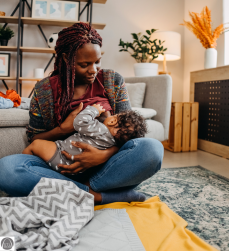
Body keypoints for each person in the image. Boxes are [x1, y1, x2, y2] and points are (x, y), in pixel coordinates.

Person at [0, 22, 164, 205]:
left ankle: (73, 193)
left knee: (152, 149)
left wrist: (103, 155)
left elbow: (128, 133)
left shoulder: (112, 80)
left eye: (97, 61)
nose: (93, 70)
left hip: (105, 168)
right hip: (59, 166)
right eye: (85, 64)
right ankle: (94, 196)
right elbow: (35, 137)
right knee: (7, 169)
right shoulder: (45, 89)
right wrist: (63, 129)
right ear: (65, 59)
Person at [22, 103, 148, 173]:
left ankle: (23, 164)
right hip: (76, 168)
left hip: (61, 155)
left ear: (112, 121)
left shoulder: (101, 130)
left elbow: (80, 122)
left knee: (36, 145)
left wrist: (94, 109)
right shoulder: (111, 143)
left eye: (114, 115)